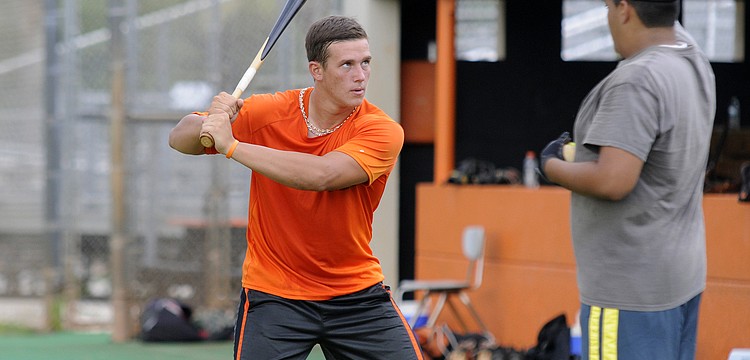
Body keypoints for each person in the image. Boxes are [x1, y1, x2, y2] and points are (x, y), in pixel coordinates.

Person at [169, 15, 423, 360]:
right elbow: (180, 138)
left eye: (365, 63)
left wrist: (232, 146)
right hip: (275, 294)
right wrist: (210, 119)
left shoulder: (381, 130)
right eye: (346, 64)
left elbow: (322, 176)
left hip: (355, 293)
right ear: (316, 70)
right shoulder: (273, 111)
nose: (360, 75)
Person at [537, 1, 715, 359]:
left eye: (607, 5)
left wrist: (551, 164)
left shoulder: (638, 79)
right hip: (679, 281)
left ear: (624, 9)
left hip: (629, 295)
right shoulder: (691, 58)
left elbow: (613, 180)